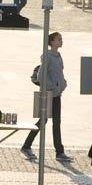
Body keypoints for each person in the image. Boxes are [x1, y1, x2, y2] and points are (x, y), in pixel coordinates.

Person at [22, 32, 70, 162]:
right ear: (52, 42)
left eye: (61, 39)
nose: (61, 41)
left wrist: (63, 83)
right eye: (58, 39)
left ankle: (59, 152)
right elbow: (40, 76)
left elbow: (59, 72)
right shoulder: (48, 56)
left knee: (56, 122)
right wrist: (53, 87)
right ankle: (27, 145)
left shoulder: (59, 55)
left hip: (57, 94)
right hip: (48, 94)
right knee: (43, 121)